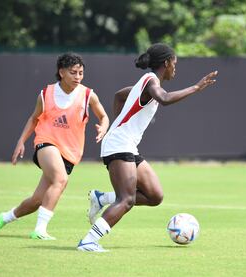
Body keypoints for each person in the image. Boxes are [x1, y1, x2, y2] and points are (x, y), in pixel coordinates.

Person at [77, 43, 218, 251]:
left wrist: (120, 124)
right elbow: (164, 99)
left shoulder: (146, 83)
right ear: (166, 63)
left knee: (154, 196)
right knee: (126, 200)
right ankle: (88, 241)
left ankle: (102, 198)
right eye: (174, 64)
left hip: (126, 144)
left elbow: (119, 95)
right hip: (119, 144)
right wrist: (196, 88)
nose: (175, 69)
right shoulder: (151, 81)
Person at [0, 52, 109, 240]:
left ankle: (4, 217)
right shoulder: (46, 94)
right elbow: (34, 119)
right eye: (73, 72)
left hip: (70, 153)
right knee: (60, 180)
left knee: (36, 201)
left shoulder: (87, 95)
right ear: (61, 72)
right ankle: (40, 230)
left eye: (81, 73)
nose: (78, 77)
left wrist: (103, 128)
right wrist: (21, 142)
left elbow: (104, 116)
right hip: (46, 143)